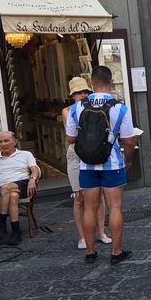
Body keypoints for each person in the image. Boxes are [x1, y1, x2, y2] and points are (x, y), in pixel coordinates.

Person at [65, 65, 136, 264]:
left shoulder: (77, 107)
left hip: (86, 165)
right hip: (112, 164)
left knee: (89, 208)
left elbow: (71, 138)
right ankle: (116, 251)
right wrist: (128, 160)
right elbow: (129, 141)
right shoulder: (119, 107)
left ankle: (90, 251)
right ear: (111, 82)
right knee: (115, 207)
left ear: (91, 83)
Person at [62, 77, 110, 250]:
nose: (82, 95)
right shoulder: (68, 111)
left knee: (101, 196)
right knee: (79, 198)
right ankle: (82, 236)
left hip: (95, 151)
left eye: (85, 92)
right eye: (78, 93)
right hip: (76, 154)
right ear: (72, 95)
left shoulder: (95, 107)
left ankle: (101, 232)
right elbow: (72, 135)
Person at [0, 130, 38, 245]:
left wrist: (33, 179)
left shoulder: (25, 154)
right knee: (12, 195)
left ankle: (1, 222)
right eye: (0, 142)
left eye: (6, 141)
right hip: (0, 190)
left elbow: (34, 169)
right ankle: (16, 232)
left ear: (15, 142)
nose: (3, 144)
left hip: (22, 185)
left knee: (6, 188)